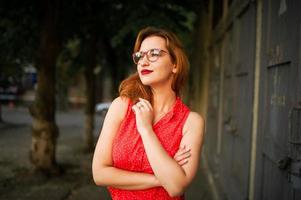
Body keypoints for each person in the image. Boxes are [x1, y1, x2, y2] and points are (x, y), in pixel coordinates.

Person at [92, 26, 205, 200]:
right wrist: (162, 177)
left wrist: (145, 129)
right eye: (140, 56)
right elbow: (99, 174)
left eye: (153, 54)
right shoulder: (121, 106)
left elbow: (176, 187)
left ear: (175, 64)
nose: (143, 62)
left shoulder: (191, 122)